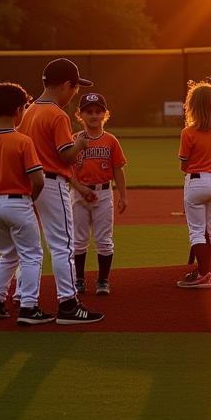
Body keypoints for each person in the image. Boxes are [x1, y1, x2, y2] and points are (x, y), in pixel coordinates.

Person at [19, 58, 104, 325]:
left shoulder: (30, 110)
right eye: (75, 86)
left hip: (32, 182)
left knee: (31, 248)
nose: (75, 92)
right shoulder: (56, 114)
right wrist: (80, 143)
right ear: (66, 84)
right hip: (53, 182)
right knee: (63, 246)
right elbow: (65, 156)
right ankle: (68, 304)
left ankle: (26, 301)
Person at [0, 82, 51, 325]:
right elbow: (38, 180)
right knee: (32, 255)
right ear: (18, 110)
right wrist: (29, 200)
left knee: (7, 255)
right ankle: (29, 307)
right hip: (18, 202)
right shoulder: (23, 141)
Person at [70, 91, 127, 297]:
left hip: (104, 193)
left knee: (104, 239)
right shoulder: (74, 140)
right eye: (88, 112)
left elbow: (118, 169)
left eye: (97, 111)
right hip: (79, 195)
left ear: (105, 114)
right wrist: (79, 188)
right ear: (80, 115)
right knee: (79, 239)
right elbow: (66, 171)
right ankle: (79, 279)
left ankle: (103, 280)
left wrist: (123, 195)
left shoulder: (110, 141)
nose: (93, 115)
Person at [176, 81, 211, 289]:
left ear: (192, 105)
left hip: (197, 181)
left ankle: (203, 274)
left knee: (197, 231)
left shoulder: (188, 132)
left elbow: (183, 164)